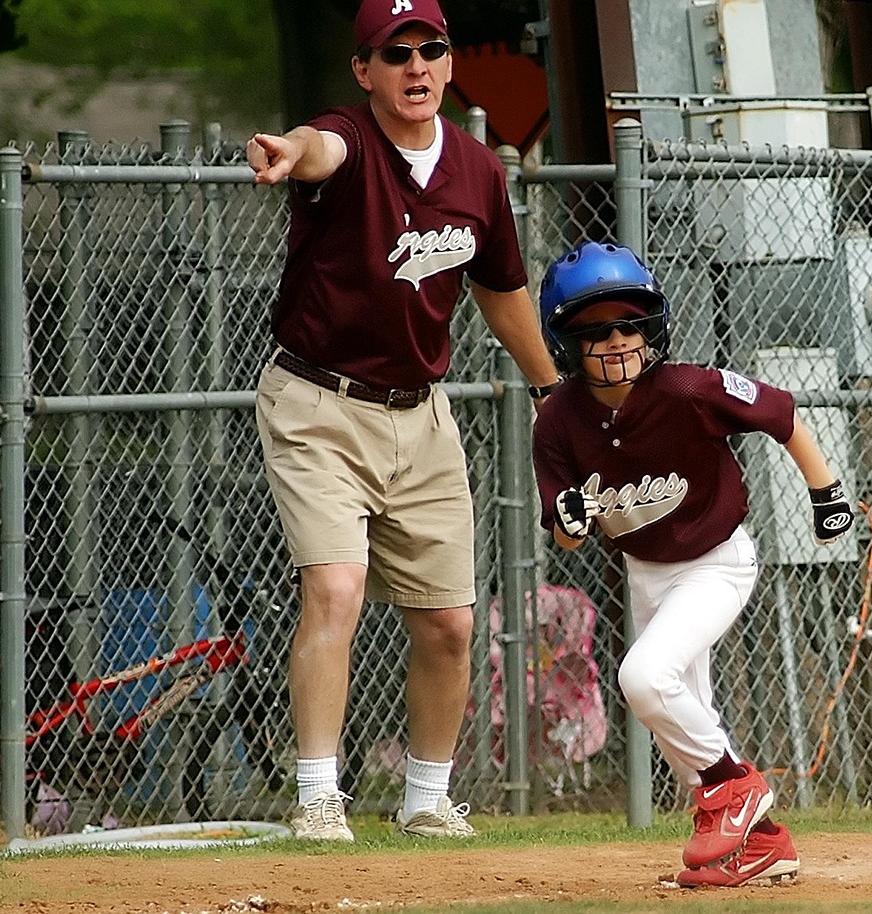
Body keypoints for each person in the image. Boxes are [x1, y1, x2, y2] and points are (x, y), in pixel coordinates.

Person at [245, 0, 562, 841]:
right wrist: (290, 150)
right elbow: (319, 146)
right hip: (318, 404)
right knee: (335, 589)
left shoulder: (477, 170)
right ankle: (319, 797)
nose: (415, 66)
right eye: (394, 54)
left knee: (450, 624)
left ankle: (425, 799)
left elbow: (502, 291)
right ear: (364, 71)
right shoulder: (346, 140)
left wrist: (549, 390)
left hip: (421, 416)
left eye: (430, 49)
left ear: (450, 64)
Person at [531, 240, 856, 887]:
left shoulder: (685, 388)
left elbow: (781, 413)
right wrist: (570, 521)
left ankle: (738, 788)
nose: (618, 340)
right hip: (647, 573)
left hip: (717, 562)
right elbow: (567, 539)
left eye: (630, 324)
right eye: (596, 330)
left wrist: (827, 493)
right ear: (566, 345)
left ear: (652, 328)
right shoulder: (559, 422)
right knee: (683, 725)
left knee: (644, 678)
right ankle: (765, 845)